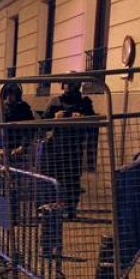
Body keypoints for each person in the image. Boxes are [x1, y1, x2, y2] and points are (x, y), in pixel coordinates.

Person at [41, 80, 97, 217]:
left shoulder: (84, 103)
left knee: (72, 180)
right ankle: (54, 208)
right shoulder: (55, 102)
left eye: (71, 84)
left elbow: (93, 126)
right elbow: (42, 124)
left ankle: (71, 210)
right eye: (65, 83)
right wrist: (54, 118)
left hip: (74, 147)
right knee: (55, 179)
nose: (67, 86)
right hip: (56, 147)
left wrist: (82, 119)